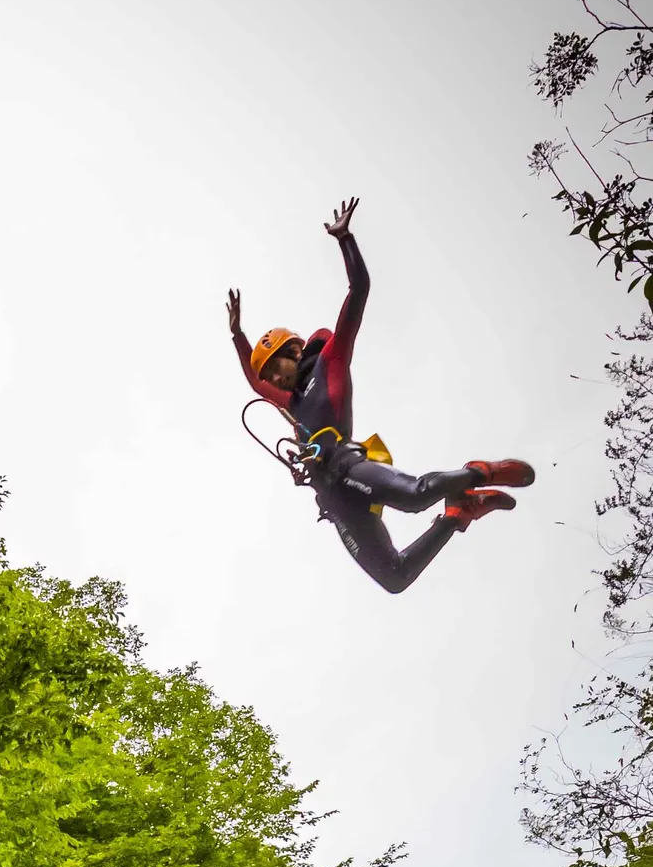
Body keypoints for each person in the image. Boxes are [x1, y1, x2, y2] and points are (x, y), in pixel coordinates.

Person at [227, 197, 535, 593]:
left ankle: (481, 472)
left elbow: (360, 288)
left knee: (414, 496)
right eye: (269, 374)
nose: (273, 380)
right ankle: (459, 514)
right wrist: (237, 335)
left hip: (348, 464)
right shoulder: (290, 403)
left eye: (275, 369)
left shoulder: (330, 361)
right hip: (333, 498)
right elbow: (254, 384)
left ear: (294, 351)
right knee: (394, 576)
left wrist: (345, 239)